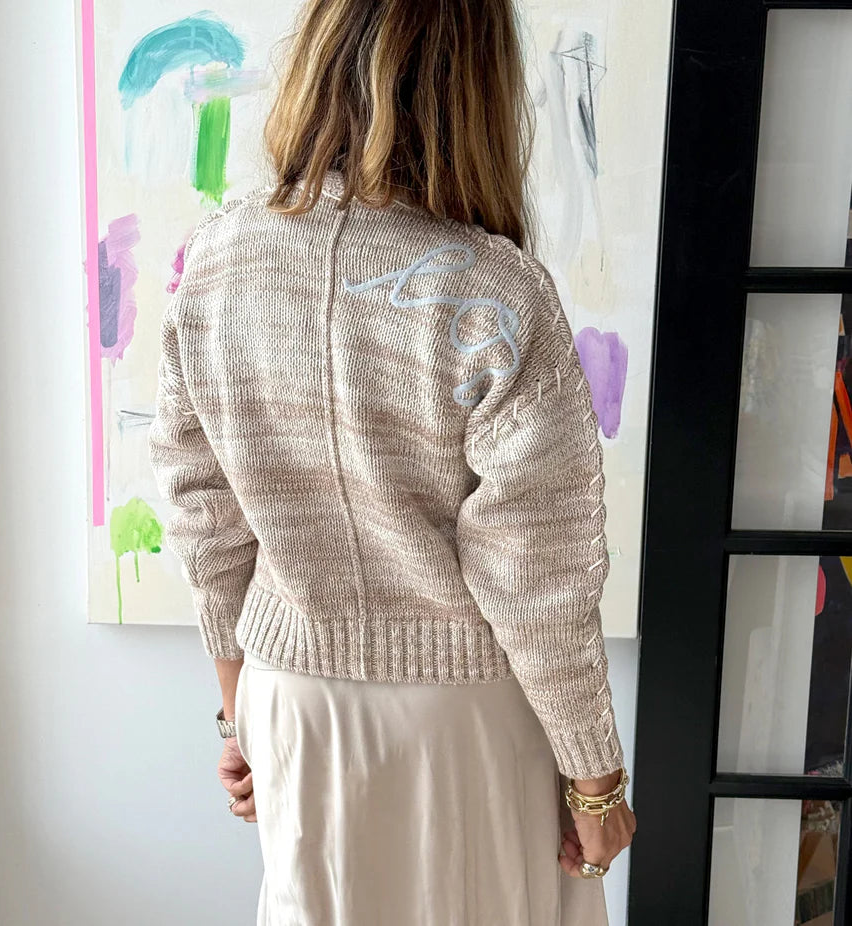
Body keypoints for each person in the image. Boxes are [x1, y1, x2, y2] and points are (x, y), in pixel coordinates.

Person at [148, 0, 636, 922]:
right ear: (473, 87)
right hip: (467, 717)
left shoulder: (214, 262)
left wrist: (238, 711)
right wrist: (595, 781)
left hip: (294, 699)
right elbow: (538, 569)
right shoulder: (493, 290)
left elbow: (202, 512)